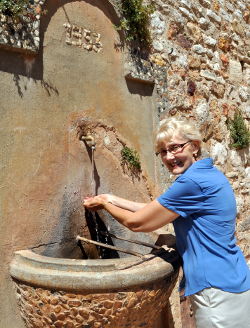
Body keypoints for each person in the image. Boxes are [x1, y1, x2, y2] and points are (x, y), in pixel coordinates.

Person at [83, 117, 250, 328]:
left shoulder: (191, 182)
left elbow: (138, 223)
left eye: (175, 147)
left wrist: (106, 204)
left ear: (194, 146)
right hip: (234, 277)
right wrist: (112, 198)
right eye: (163, 151)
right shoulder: (208, 174)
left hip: (215, 290)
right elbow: (154, 209)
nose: (169, 156)